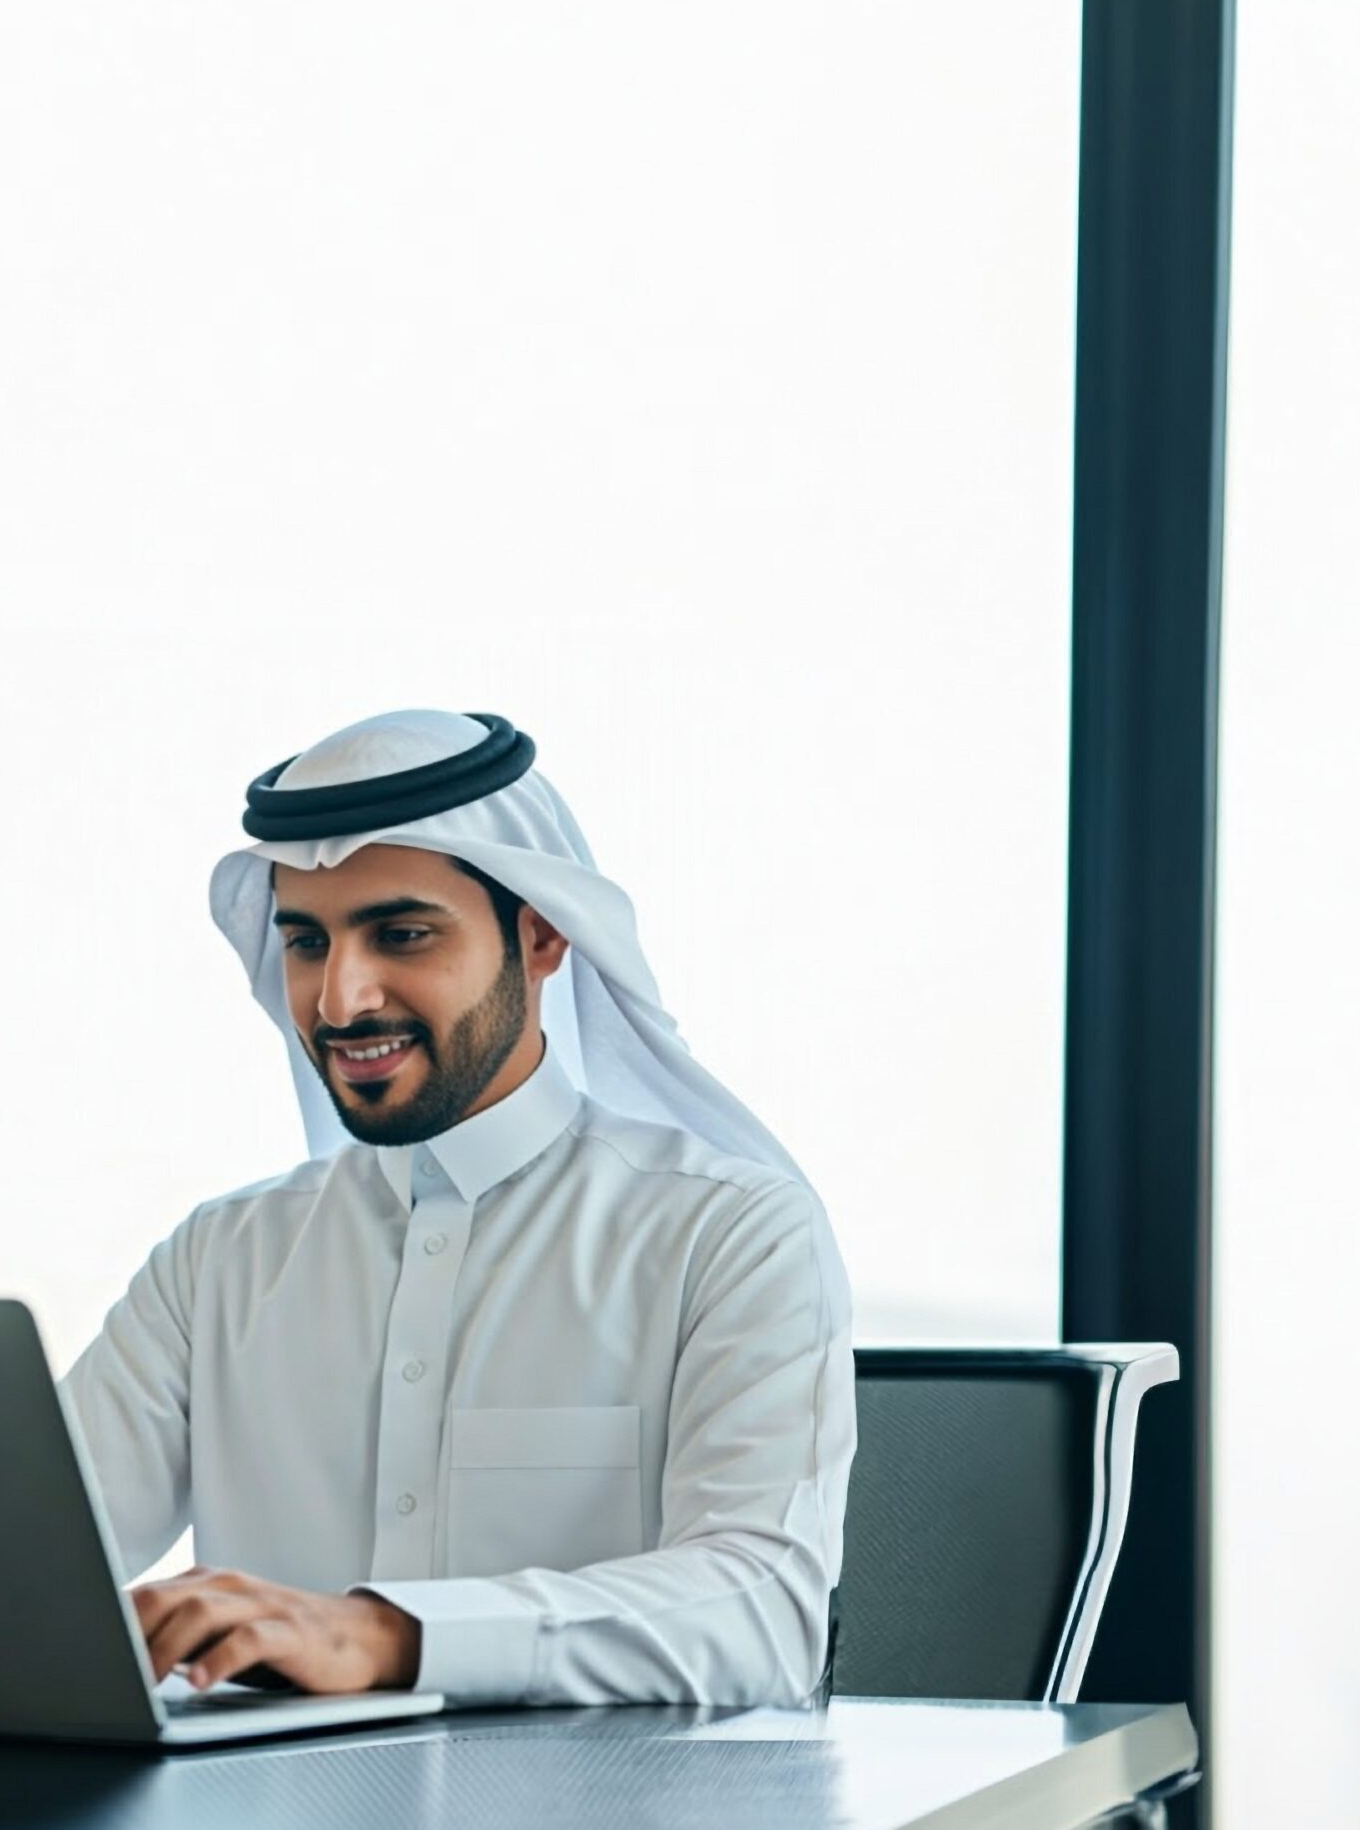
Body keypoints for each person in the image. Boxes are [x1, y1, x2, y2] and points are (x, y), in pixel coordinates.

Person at [61, 709, 855, 1708]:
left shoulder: (727, 1234)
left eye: (401, 934)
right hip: (256, 1809)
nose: (340, 1000)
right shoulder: (218, 1262)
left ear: (542, 934)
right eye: (306, 942)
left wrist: (381, 1636)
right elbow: (18, 1562)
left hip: (603, 1811)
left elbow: (761, 1613)